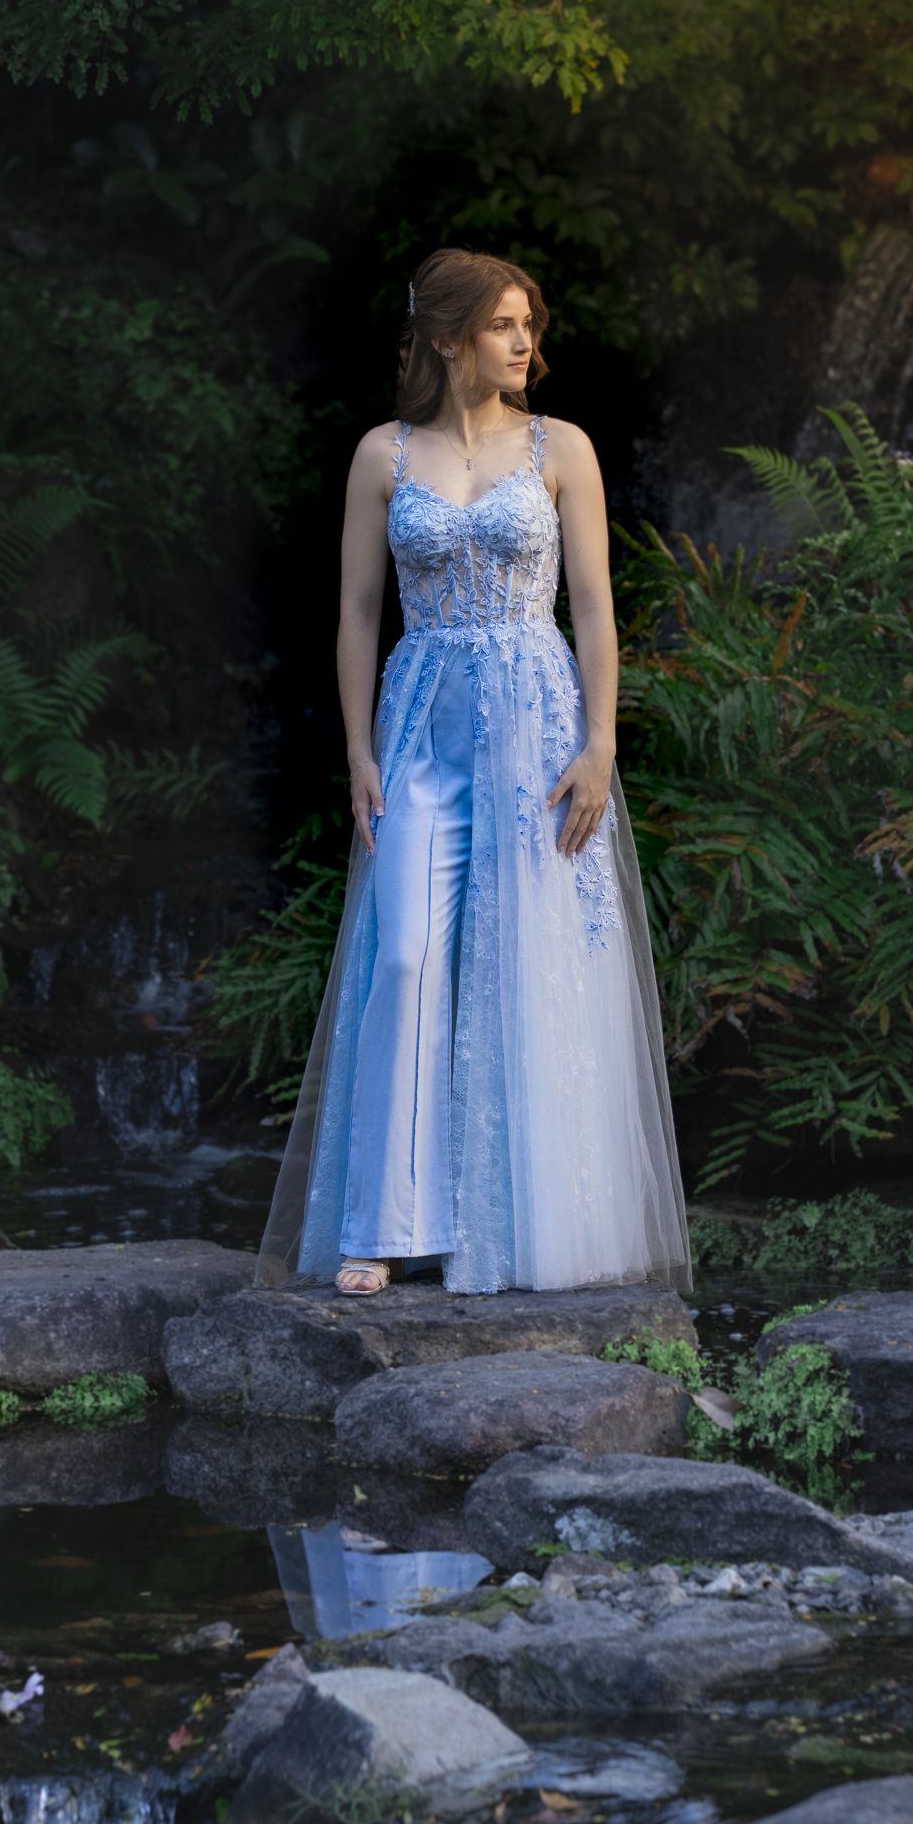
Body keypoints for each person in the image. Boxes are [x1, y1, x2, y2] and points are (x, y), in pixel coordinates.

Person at [259, 246, 690, 1297]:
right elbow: (358, 613)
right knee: (404, 955)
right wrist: (357, 747)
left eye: (528, 325)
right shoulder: (381, 455)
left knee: (524, 963)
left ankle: (515, 1229)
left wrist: (602, 743)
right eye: (504, 325)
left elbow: (593, 604)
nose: (524, 342)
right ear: (447, 336)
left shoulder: (563, 449)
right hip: (420, 724)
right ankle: (383, 1220)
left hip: (536, 728)